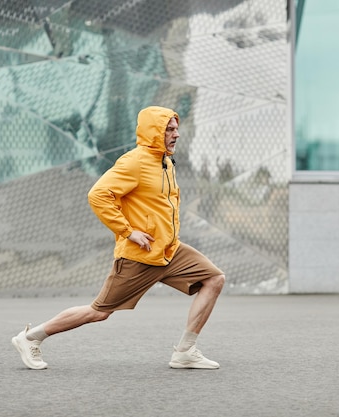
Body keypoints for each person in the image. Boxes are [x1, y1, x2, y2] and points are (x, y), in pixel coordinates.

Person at [11, 106, 225, 370]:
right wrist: (128, 231)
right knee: (98, 312)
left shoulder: (166, 162)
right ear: (154, 131)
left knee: (214, 278)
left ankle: (185, 351)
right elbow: (98, 194)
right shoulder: (133, 162)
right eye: (169, 129)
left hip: (170, 250)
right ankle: (30, 337)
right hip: (140, 254)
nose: (176, 134)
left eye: (176, 128)